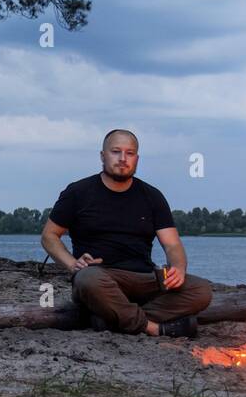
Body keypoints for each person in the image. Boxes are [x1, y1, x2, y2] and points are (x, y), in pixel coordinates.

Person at [40, 129, 212, 338]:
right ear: (103, 156)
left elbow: (172, 245)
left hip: (144, 278)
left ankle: (112, 319)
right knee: (88, 279)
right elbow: (49, 235)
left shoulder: (152, 196)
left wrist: (178, 267)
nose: (123, 159)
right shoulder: (78, 192)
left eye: (130, 153)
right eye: (116, 152)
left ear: (136, 159)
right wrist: (72, 264)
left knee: (201, 290)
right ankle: (153, 328)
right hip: (99, 275)